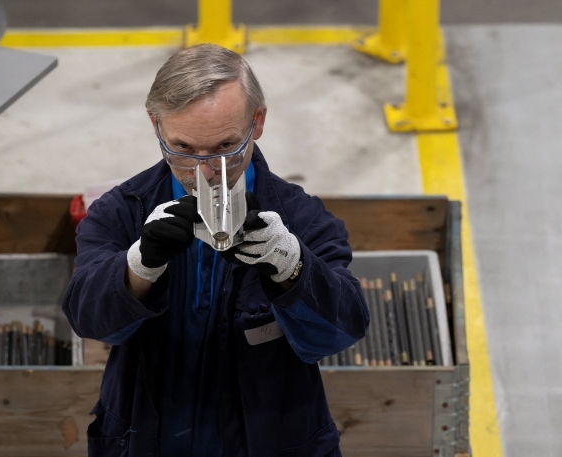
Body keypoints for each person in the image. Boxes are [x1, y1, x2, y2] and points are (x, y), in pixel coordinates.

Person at [62, 44, 369, 457]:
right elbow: (91, 321)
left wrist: (293, 267)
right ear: (156, 124)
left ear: (256, 122)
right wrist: (138, 266)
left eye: (226, 147)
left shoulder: (304, 218)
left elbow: (339, 333)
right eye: (183, 149)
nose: (206, 171)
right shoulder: (121, 212)